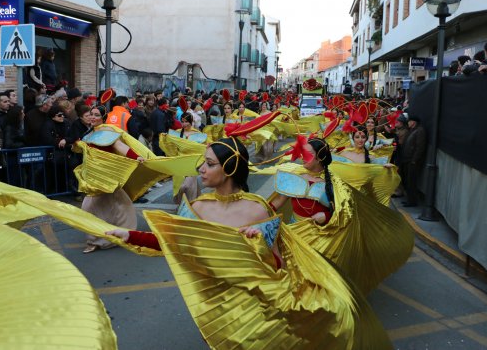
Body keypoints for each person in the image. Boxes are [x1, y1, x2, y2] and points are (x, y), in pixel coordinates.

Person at [106, 137, 393, 349]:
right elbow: (168, 240)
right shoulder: (196, 207)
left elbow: (278, 266)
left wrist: (258, 246)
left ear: (229, 167)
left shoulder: (258, 210)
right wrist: (128, 235)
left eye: (209, 164)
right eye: (202, 164)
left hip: (251, 305)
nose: (201, 170)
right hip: (212, 302)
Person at [78, 106, 144, 253]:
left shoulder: (108, 132)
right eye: (91, 114)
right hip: (94, 177)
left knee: (88, 208)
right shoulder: (90, 133)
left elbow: (120, 146)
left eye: (96, 115)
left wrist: (136, 157)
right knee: (116, 203)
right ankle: (118, 233)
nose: (92, 117)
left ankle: (94, 240)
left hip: (107, 177)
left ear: (103, 117)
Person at [269, 138, 334, 225]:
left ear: (319, 158)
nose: (303, 156)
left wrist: (327, 216)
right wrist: (258, 216)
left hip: (321, 235)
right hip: (293, 232)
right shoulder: (296, 175)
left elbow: (343, 210)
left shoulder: (333, 181)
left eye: (308, 154)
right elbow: (278, 201)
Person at [401, 115, 426, 208]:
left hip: (412, 161)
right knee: (407, 180)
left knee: (411, 181)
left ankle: (412, 201)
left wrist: (414, 160)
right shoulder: (412, 130)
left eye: (409, 121)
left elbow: (420, 147)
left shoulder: (420, 131)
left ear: (413, 122)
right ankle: (409, 199)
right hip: (407, 159)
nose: (408, 123)